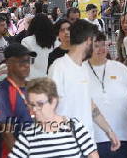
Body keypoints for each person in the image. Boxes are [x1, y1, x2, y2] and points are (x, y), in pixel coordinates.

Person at [47, 19, 121, 151]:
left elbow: (89, 104)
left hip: (87, 144)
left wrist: (109, 131)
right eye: (93, 42)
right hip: (67, 147)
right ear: (88, 40)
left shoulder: (83, 68)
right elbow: (48, 109)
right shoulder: (59, 67)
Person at [8, 78, 99, 158]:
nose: (34, 109)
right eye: (32, 105)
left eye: (40, 104)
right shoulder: (28, 136)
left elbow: (93, 155)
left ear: (53, 102)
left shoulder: (74, 127)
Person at [84, 32, 127, 158]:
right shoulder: (80, 70)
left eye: (103, 45)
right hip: (93, 139)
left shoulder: (120, 68)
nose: (101, 49)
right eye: (96, 46)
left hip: (124, 135)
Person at [0, 43, 36, 157]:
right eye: (22, 61)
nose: (27, 65)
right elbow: (6, 133)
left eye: (28, 61)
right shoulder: (3, 91)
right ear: (9, 63)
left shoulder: (32, 87)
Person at [21, 14, 55, 80]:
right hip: (50, 80)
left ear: (32, 26)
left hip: (32, 80)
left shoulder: (26, 41)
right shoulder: (54, 41)